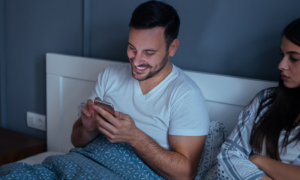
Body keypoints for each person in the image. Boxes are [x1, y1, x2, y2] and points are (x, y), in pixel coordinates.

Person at [71, 1, 210, 179]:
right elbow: (75, 140)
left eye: (149, 53)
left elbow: (186, 174)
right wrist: (89, 129)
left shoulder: (186, 95)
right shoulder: (109, 75)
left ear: (172, 48)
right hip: (81, 164)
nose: (136, 61)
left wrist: (134, 137)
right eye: (132, 48)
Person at [207, 18, 300, 180]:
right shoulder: (266, 101)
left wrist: (259, 160)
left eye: (294, 58)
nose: (281, 65)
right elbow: (228, 157)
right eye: (282, 55)